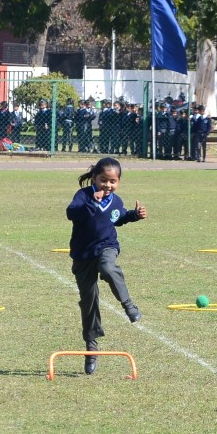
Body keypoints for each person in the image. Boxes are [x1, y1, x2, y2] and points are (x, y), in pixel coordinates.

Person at [67, 157, 147, 374]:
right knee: (89, 300)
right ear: (94, 178)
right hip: (83, 254)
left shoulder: (116, 200)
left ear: (118, 182)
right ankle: (91, 347)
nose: (108, 185)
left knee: (108, 267)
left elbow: (118, 218)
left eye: (113, 181)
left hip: (107, 247)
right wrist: (91, 203)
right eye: (103, 180)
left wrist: (134, 215)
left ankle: (129, 305)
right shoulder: (83, 196)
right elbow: (71, 213)